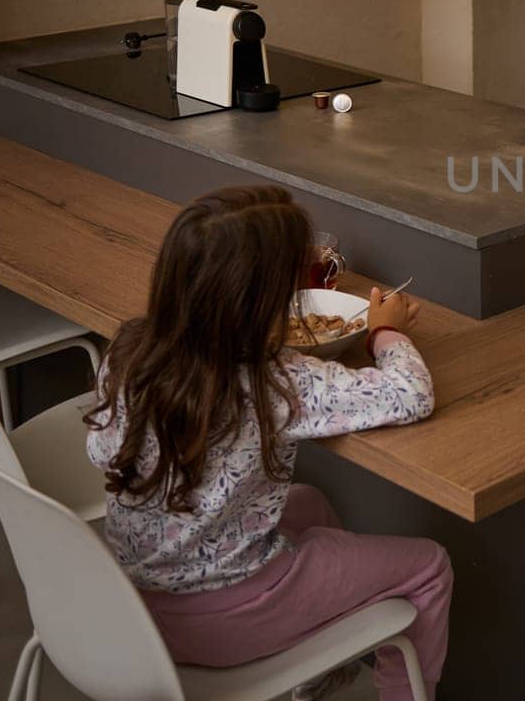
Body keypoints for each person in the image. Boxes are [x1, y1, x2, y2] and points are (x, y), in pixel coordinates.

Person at [85, 186, 450, 701]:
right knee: (429, 568)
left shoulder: (127, 354)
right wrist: (382, 334)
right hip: (223, 622)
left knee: (312, 505)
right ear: (261, 302)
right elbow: (411, 395)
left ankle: (317, 670)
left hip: (135, 600)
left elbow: (101, 452)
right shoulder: (273, 382)